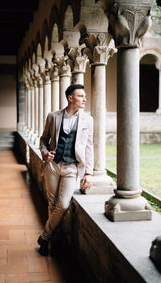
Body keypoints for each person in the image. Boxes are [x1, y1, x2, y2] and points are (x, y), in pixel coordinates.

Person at [37, 84, 94, 256]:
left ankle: (44, 236)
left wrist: (89, 173)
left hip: (71, 168)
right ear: (70, 98)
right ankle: (51, 241)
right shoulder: (53, 117)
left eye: (84, 96)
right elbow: (43, 140)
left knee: (62, 205)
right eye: (80, 96)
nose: (84, 99)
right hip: (53, 166)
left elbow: (89, 147)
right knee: (52, 204)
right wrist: (46, 153)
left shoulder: (88, 119)